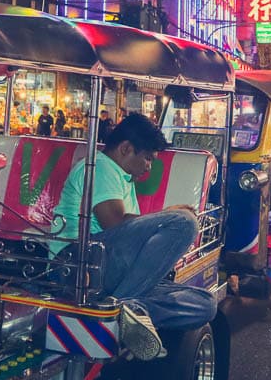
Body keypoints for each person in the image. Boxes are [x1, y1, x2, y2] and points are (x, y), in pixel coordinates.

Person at [51, 115, 216, 359]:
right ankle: (120, 305)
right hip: (82, 260)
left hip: (108, 269)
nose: (149, 166)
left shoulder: (122, 178)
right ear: (126, 148)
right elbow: (114, 223)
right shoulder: (101, 167)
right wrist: (169, 214)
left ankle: (129, 309)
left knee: (205, 303)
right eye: (147, 158)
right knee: (185, 222)